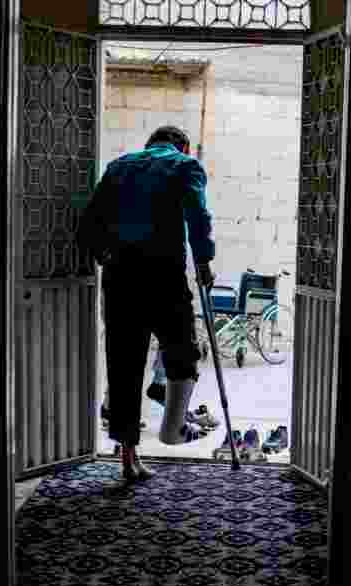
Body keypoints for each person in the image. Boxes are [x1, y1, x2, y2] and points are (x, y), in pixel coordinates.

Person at [81, 125, 217, 481]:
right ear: (183, 147)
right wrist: (203, 262)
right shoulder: (184, 166)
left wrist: (104, 255)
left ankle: (128, 457)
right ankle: (171, 430)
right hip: (164, 276)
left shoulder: (119, 166)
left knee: (124, 365)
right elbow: (198, 217)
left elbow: (89, 222)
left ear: (148, 145)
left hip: (120, 278)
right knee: (183, 351)